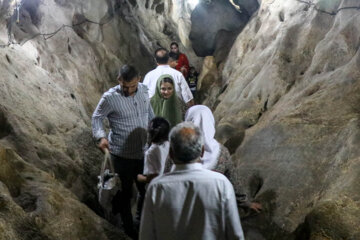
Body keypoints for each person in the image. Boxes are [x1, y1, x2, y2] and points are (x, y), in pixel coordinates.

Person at [140, 122, 245, 240]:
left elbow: (146, 235)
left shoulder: (156, 188)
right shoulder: (221, 184)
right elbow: (235, 235)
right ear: (202, 151)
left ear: (170, 153)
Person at [92, 65, 154, 240]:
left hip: (143, 153)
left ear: (139, 79)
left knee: (146, 190)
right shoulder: (110, 98)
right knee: (125, 193)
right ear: (119, 79)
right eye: (125, 86)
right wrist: (100, 136)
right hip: (121, 156)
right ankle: (129, 230)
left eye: (132, 86)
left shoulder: (143, 91)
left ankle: (140, 221)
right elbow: (97, 118)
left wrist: (155, 131)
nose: (128, 90)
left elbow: (149, 113)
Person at [185, 105, 262, 213]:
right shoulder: (221, 152)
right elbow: (233, 179)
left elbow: (167, 174)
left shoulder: (178, 149)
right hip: (212, 209)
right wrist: (245, 202)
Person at [137, 117, 170, 183]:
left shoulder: (150, 152)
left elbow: (153, 177)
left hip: (157, 187)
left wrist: (140, 178)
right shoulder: (170, 144)